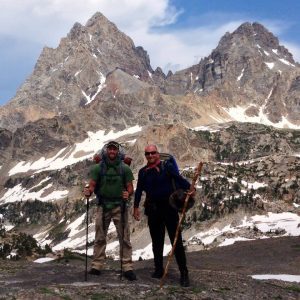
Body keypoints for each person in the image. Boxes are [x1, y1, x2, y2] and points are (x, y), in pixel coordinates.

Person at [133, 144, 192, 287]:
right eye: (147, 154)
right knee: (156, 241)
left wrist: (189, 188)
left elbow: (178, 179)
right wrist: (135, 207)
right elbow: (139, 190)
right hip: (153, 209)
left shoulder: (167, 167)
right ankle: (158, 269)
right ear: (145, 156)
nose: (150, 156)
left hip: (169, 207)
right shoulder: (143, 172)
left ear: (158, 154)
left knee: (176, 241)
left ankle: (184, 273)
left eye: (153, 153)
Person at [84, 140, 137, 281]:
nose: (112, 152)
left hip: (120, 206)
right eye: (110, 149)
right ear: (106, 151)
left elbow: (130, 186)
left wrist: (128, 193)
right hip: (103, 205)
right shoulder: (98, 168)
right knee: (100, 236)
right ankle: (97, 265)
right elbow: (92, 185)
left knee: (124, 237)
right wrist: (88, 191)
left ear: (118, 152)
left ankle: (127, 267)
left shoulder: (124, 168)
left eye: (114, 150)